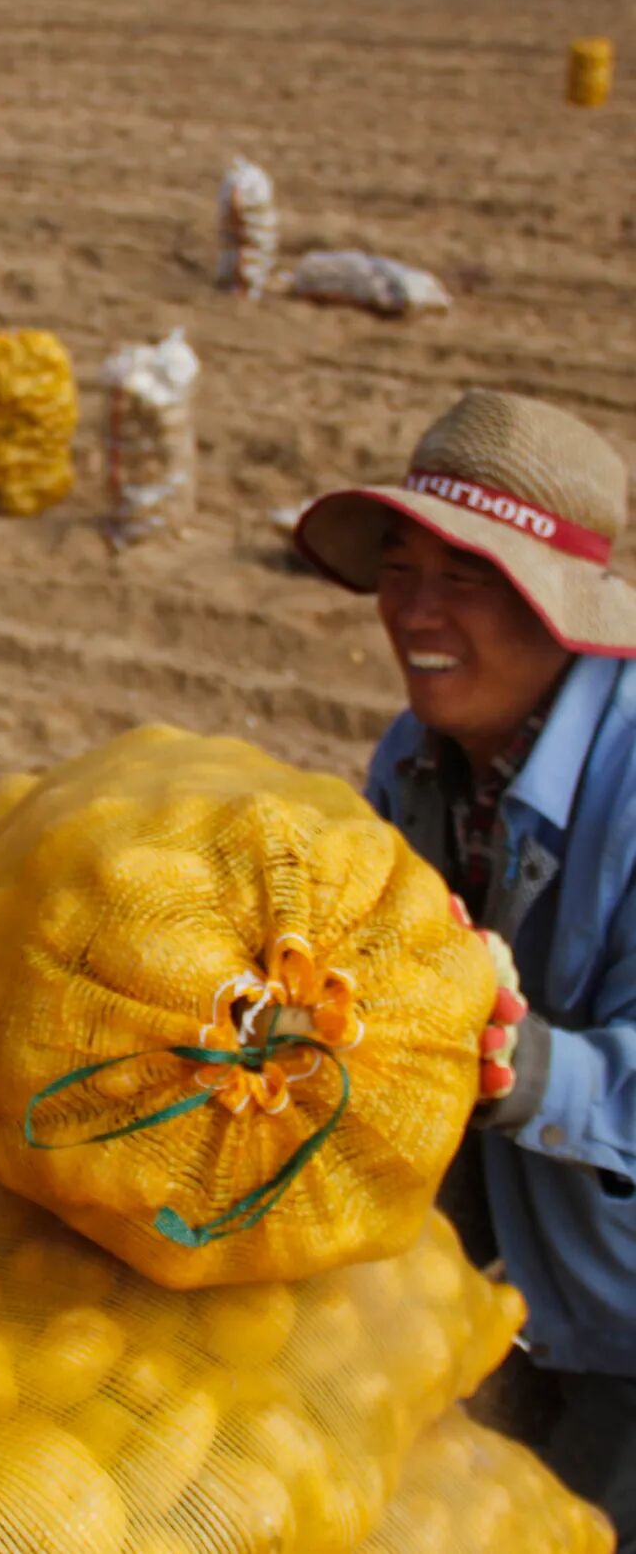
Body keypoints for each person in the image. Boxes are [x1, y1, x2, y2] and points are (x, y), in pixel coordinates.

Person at [294, 387, 636, 1548]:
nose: (417, 613)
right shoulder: (419, 753)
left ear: (567, 611)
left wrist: (519, 1067)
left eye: (471, 577)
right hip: (503, 1270)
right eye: (400, 569)